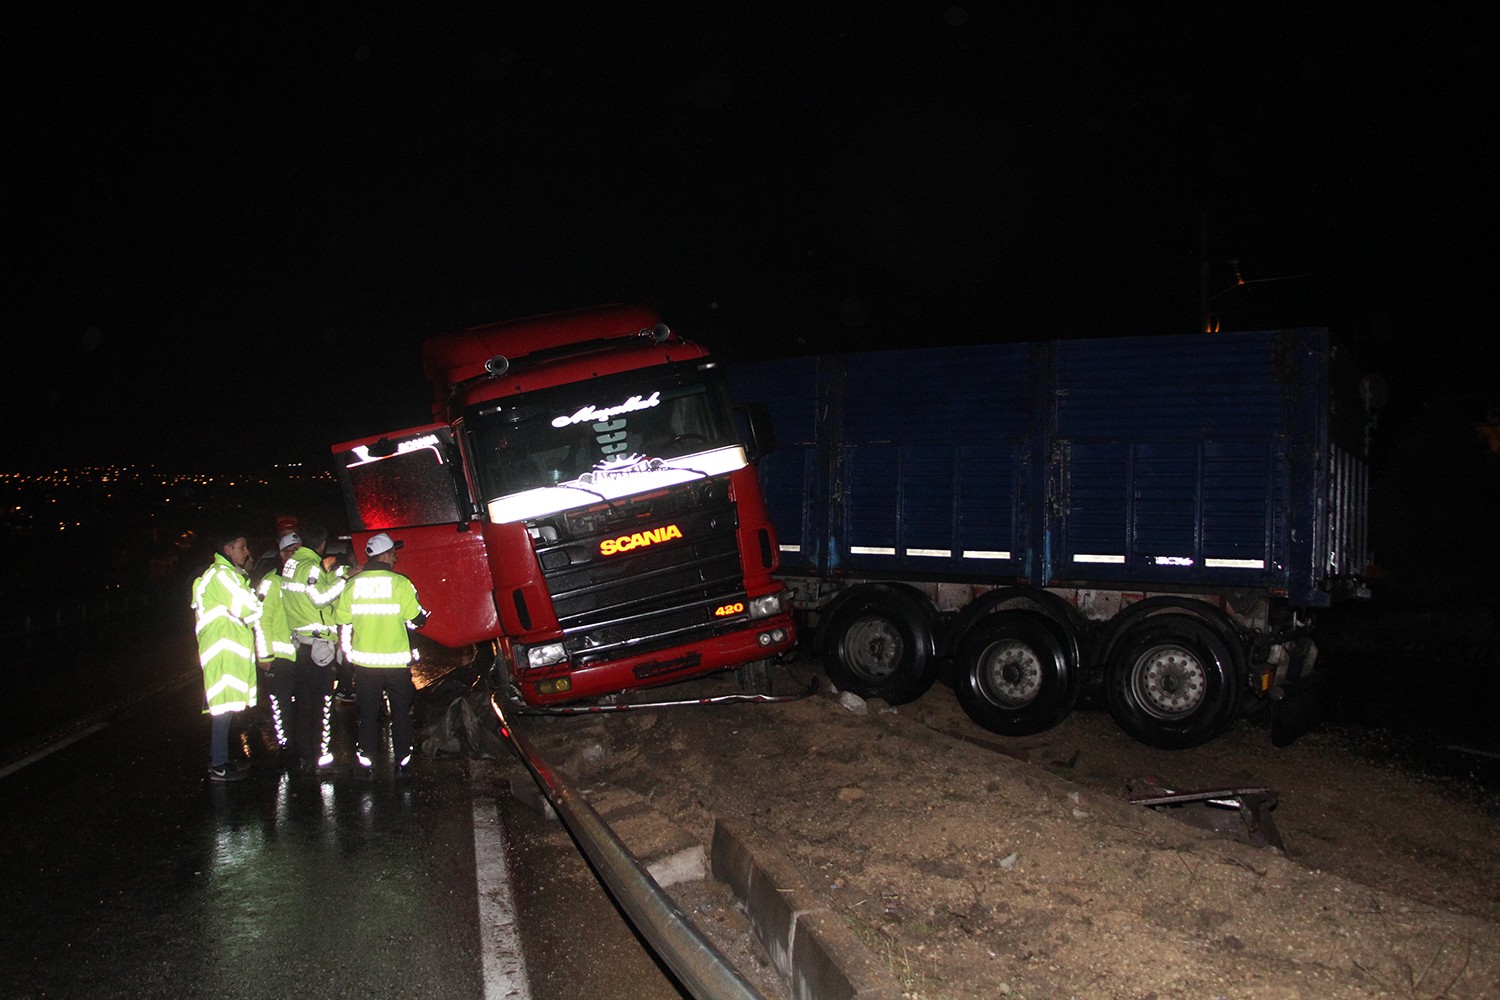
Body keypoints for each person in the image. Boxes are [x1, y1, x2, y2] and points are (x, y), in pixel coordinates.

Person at [334, 532, 429, 779]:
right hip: (395, 662)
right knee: (400, 713)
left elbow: (341, 617)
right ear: (385, 555)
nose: (396, 556)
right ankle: (402, 764)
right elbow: (416, 619)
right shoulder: (400, 583)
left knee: (367, 714)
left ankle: (366, 766)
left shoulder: (352, 585)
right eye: (394, 553)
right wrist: (422, 616)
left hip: (366, 663)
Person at [190, 529, 262, 782]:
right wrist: (255, 602)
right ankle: (218, 765)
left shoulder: (226, 574)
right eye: (242, 547)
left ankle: (220, 759)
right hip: (222, 651)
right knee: (222, 708)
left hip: (225, 651)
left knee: (226, 706)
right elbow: (249, 608)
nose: (247, 552)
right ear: (228, 549)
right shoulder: (222, 575)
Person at [279, 524, 348, 774]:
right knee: (321, 703)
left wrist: (336, 573)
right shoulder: (310, 566)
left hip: (301, 643)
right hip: (318, 644)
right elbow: (319, 598)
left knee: (304, 702)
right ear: (322, 544)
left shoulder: (291, 565)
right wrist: (343, 580)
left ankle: (305, 754)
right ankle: (320, 756)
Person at [252, 533, 301, 762]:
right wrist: (265, 655)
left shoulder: (304, 578)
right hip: (280, 658)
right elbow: (262, 621)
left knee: (301, 704)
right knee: (282, 705)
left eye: (299, 550)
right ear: (282, 554)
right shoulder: (272, 582)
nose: (296, 555)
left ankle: (301, 745)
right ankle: (286, 747)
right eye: (291, 550)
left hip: (303, 654)